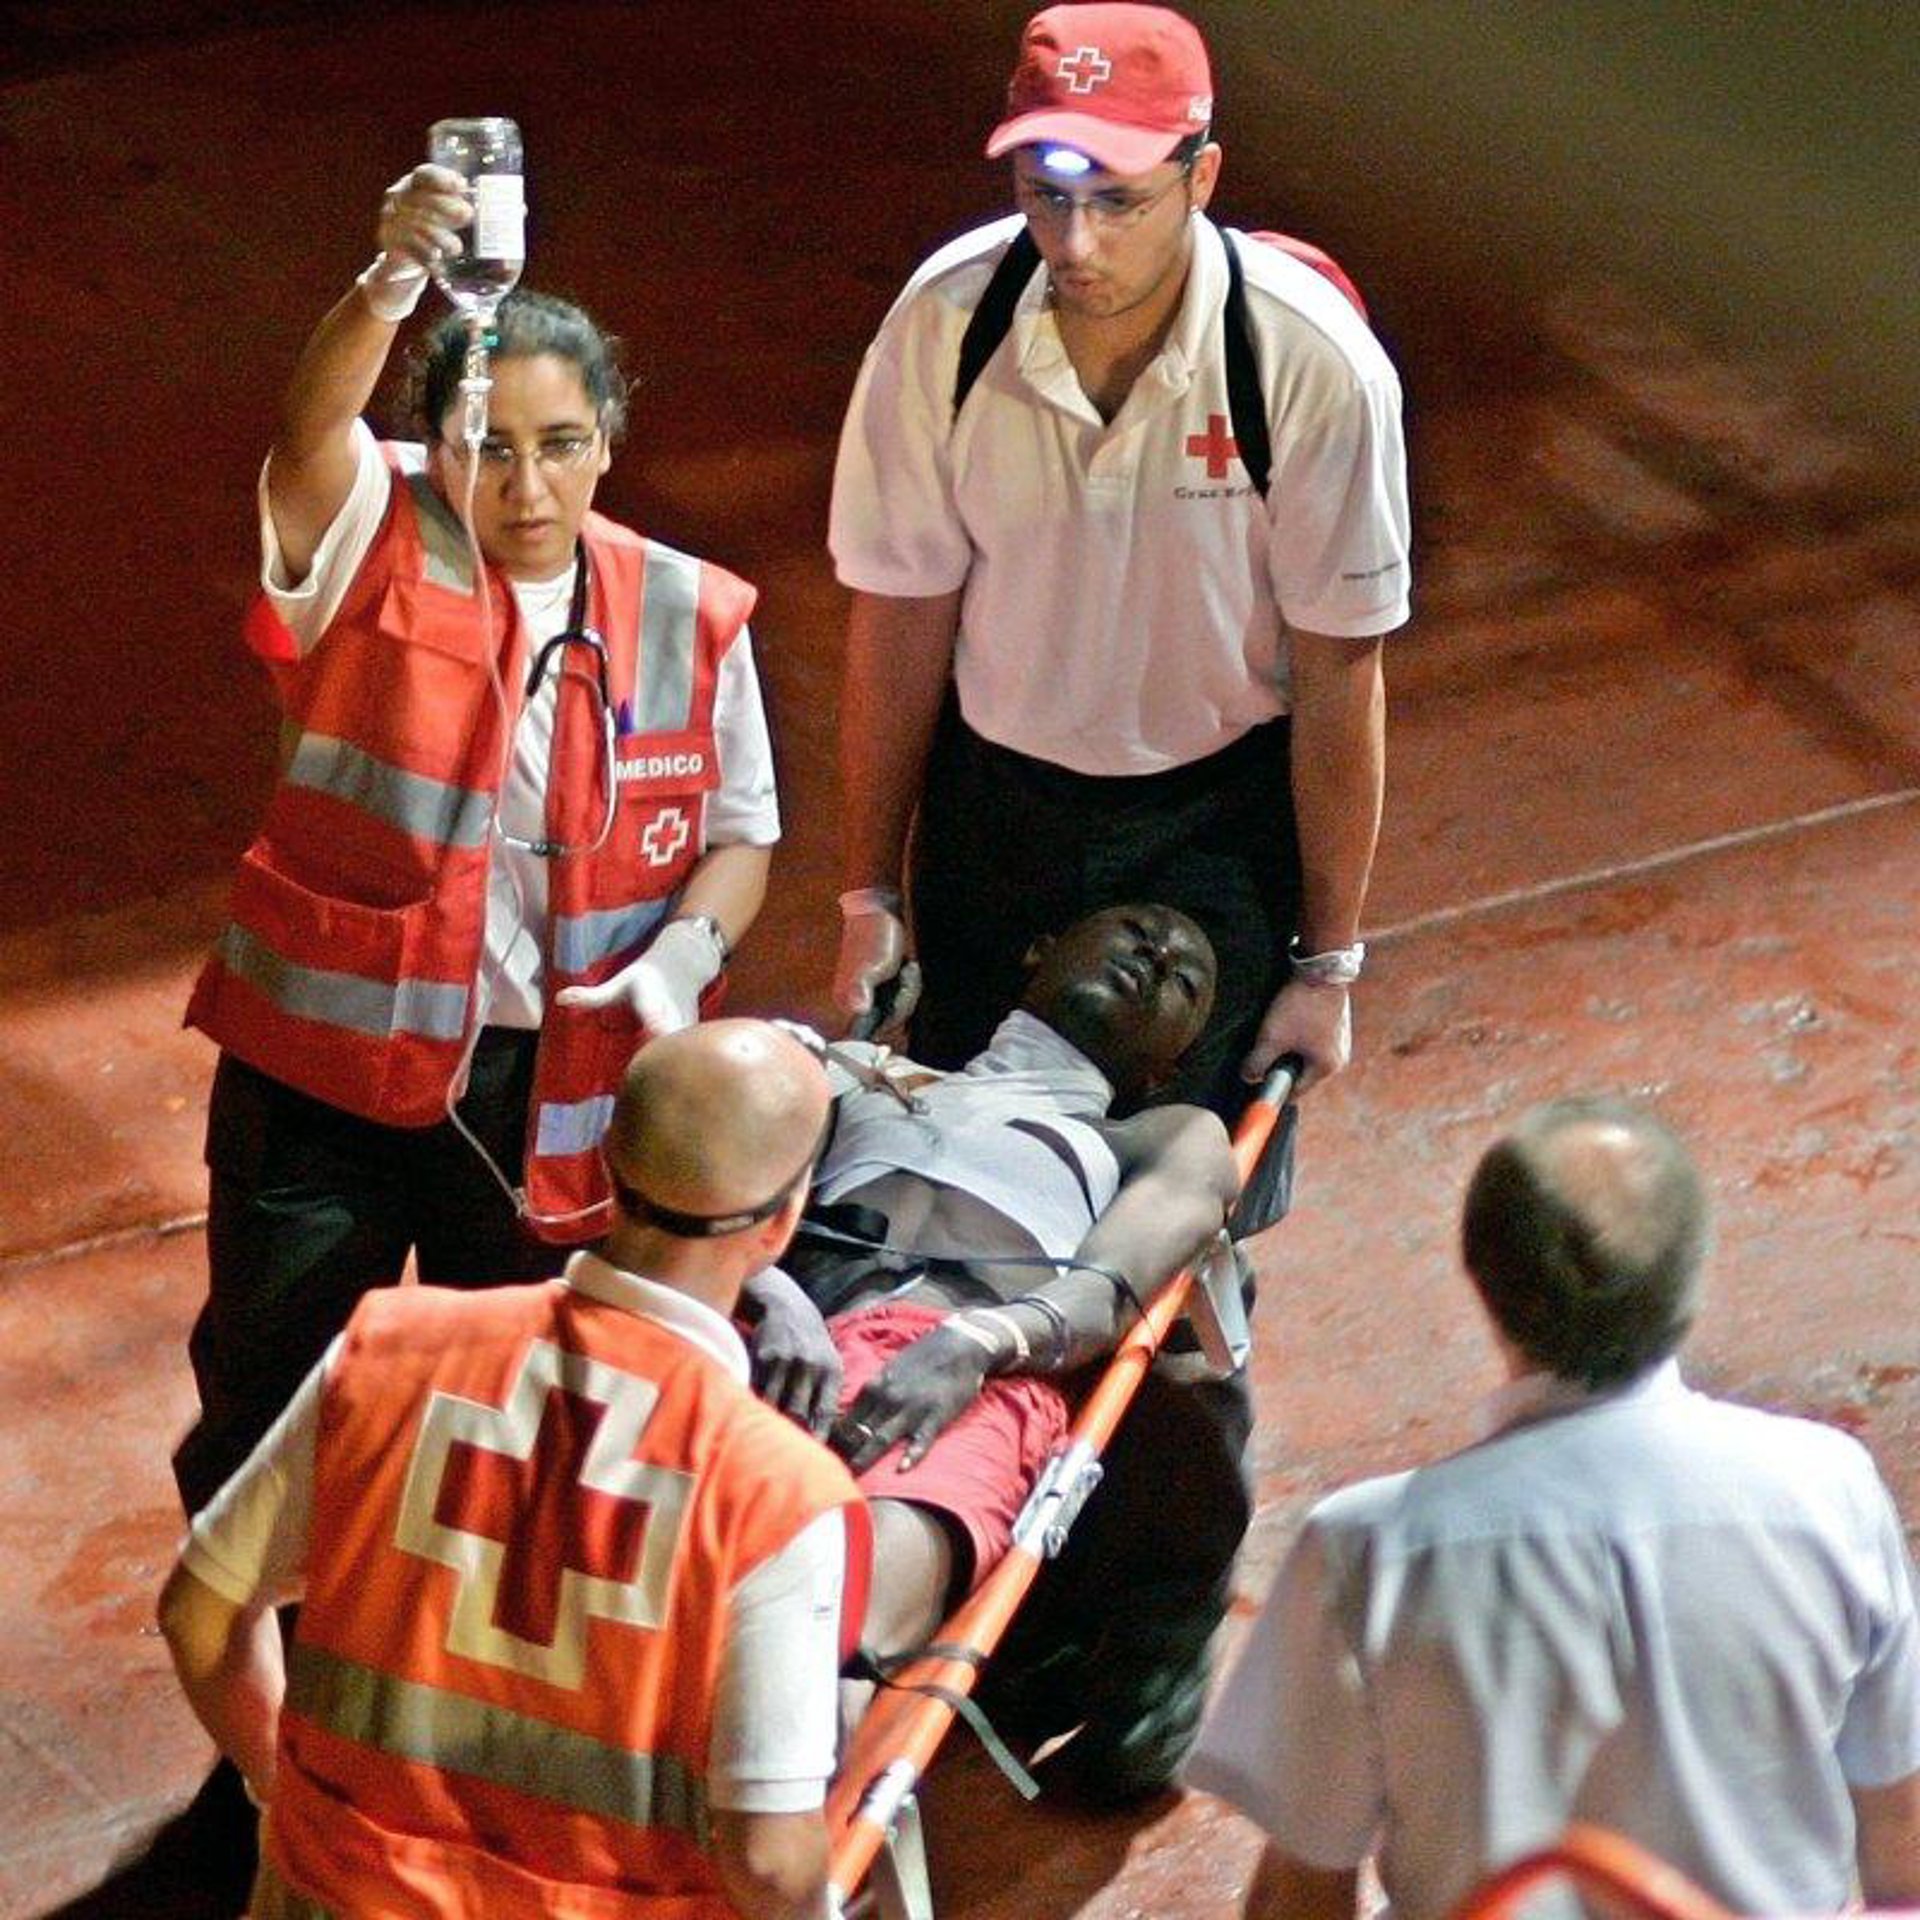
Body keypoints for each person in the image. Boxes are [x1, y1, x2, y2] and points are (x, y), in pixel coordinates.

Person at [174, 161, 781, 1518]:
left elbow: (742, 835)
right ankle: (260, 1655)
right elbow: (308, 429)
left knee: (500, 1447)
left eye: (558, 443)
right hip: (324, 1081)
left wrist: (685, 956)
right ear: (436, 447)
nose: (524, 483)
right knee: (269, 1421)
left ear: (608, 440)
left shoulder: (687, 612)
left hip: (542, 1103)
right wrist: (392, 277)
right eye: (485, 445)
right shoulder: (372, 534)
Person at [827, 1, 1410, 1146]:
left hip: (1212, 826)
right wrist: (869, 895)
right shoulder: (944, 326)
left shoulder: (1308, 363)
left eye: (1119, 202)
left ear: (1202, 178)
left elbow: (1342, 668)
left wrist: (1328, 963)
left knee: (1179, 1182)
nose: (1077, 244)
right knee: (964, 1163)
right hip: (994, 815)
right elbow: (899, 616)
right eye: (1045, 196)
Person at [158, 1021, 866, 1920]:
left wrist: (283, 1797)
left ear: (605, 1164)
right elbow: (768, 1862)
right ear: (780, 1224)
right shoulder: (776, 1495)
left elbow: (198, 1611)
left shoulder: (389, 1352)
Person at [1184, 1096, 1920, 1920]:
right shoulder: (1829, 1490)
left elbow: (1305, 1890)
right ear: (1693, 1279)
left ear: (1483, 1282)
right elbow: (1902, 1847)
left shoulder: (1366, 1551)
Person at [749, 903, 1243, 1797]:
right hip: (779, 1336)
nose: (1156, 956)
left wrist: (981, 1341)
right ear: (1040, 946)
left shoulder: (1156, 1137)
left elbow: (1103, 1290)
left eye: (1185, 979)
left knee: (823, 1641)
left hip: (967, 1374)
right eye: (1136, 931)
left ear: (1167, 1067)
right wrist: (768, 1287)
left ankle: (787, 1822)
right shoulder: (856, 1075)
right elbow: (714, 1189)